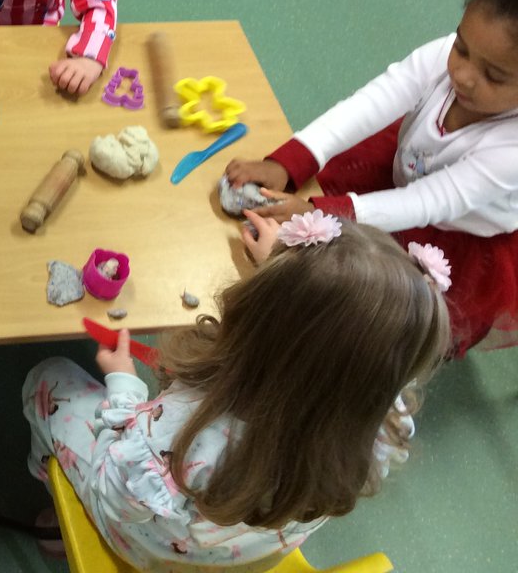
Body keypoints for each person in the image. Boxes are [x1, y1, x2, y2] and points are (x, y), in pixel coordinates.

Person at [23, 211, 449, 573]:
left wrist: (123, 383)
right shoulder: (374, 420)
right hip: (244, 556)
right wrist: (288, 278)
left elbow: (122, 484)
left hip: (145, 544)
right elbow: (337, 345)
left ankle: (61, 514)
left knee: (47, 378)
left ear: (256, 317)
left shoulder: (190, 431)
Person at [225, 0, 518, 355]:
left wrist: (320, 211)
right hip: (407, 175)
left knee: (385, 324)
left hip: (456, 236)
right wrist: (290, 160)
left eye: (494, 76)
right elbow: (372, 102)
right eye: (461, 48)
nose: (463, 75)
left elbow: (428, 203)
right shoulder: (445, 60)